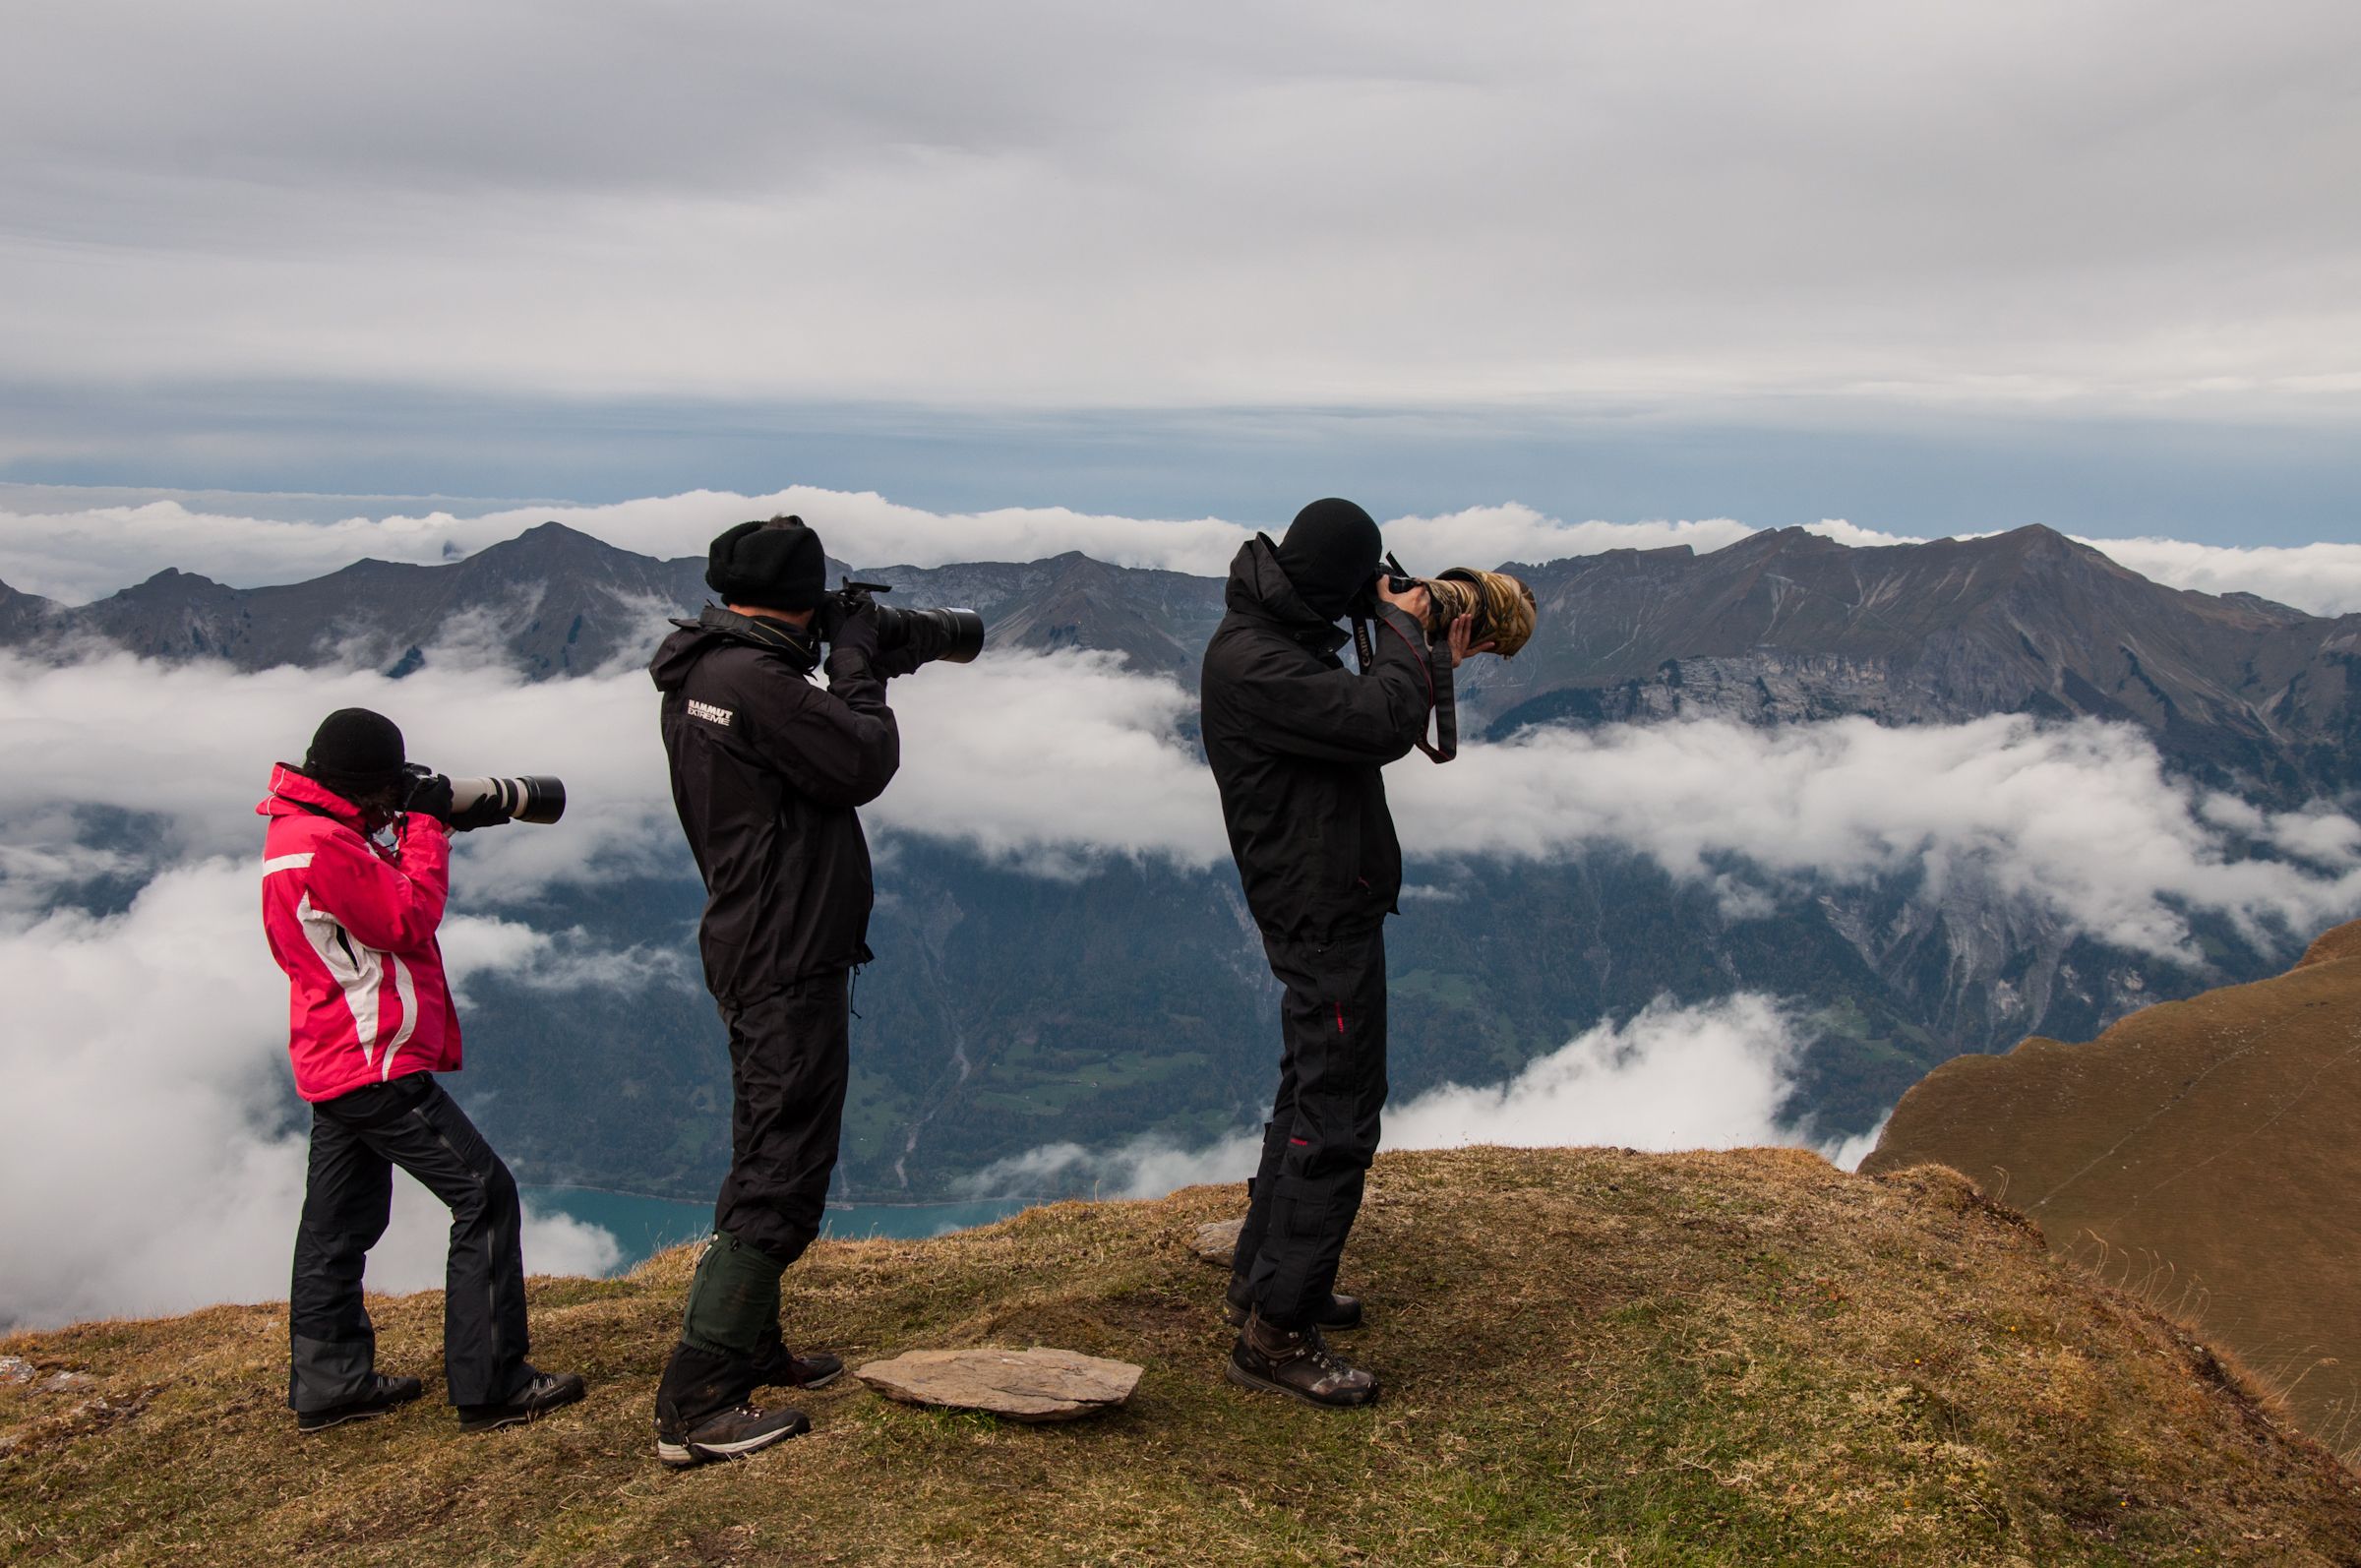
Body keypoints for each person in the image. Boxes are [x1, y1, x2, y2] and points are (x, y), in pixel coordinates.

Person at [1199, 497, 1493, 1408]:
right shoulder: (1258, 663)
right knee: (1339, 1106)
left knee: (1310, 1084)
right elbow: (1378, 724)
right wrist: (1411, 635)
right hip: (1319, 906)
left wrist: (1396, 627)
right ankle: (1278, 1334)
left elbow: (1361, 718)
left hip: (1322, 897)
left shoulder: (1268, 637)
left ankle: (1267, 1277)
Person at [645, 514, 916, 1468]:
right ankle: (699, 1396)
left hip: (756, 938)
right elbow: (863, 758)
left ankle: (750, 1338)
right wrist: (857, 661)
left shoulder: (705, 673)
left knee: (769, 1141)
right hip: (786, 953)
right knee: (783, 1169)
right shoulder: (756, 682)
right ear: (802, 595)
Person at [258, 707, 587, 1433]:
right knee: (484, 1195)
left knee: (337, 1226)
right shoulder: (323, 845)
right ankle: (492, 1382)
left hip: (332, 1054)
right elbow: (407, 919)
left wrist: (408, 823)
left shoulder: (298, 831)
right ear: (368, 786)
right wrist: (428, 828)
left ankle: (329, 1383)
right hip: (372, 1060)